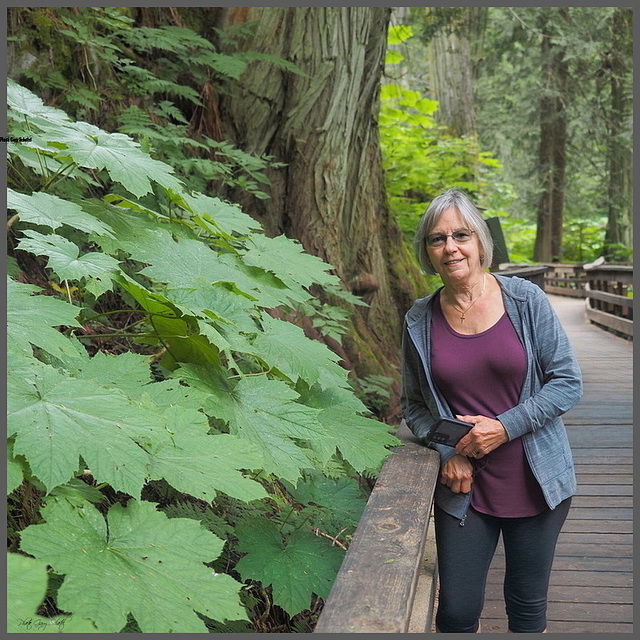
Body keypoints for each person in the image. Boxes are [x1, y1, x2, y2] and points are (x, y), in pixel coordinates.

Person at [401, 188, 583, 633]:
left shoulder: (525, 300)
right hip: (466, 488)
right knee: (457, 613)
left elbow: (567, 382)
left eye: (460, 235)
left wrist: (504, 427)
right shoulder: (418, 319)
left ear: (480, 242)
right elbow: (414, 405)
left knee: (525, 609)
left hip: (535, 478)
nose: (450, 247)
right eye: (437, 238)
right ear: (427, 251)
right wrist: (448, 452)